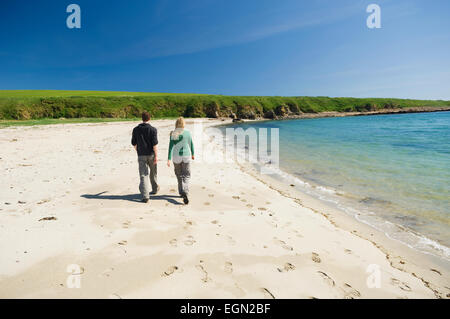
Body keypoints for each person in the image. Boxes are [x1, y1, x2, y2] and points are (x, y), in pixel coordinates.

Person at [131, 111, 159, 203]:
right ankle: (154, 189)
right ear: (149, 118)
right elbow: (154, 144)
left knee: (143, 175)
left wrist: (138, 150)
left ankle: (145, 196)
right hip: (151, 154)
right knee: (153, 172)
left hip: (141, 155)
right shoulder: (153, 129)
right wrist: (156, 156)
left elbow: (134, 143)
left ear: (142, 118)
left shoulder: (136, 129)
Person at [167, 117, 194, 204]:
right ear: (183, 124)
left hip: (176, 157)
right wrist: (193, 154)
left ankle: (181, 192)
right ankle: (185, 191)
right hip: (186, 156)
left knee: (179, 175)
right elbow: (191, 144)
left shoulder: (173, 133)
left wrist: (168, 159)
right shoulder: (187, 133)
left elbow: (170, 147)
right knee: (186, 175)